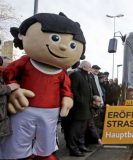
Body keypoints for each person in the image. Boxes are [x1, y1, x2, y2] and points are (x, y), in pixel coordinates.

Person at [0, 12, 86, 160]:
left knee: (47, 137)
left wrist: (67, 98)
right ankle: (18, 156)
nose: (64, 47)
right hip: (24, 109)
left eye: (72, 45)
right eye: (55, 38)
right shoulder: (25, 61)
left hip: (50, 112)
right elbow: (9, 74)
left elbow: (66, 88)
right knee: (19, 136)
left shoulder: (61, 72)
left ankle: (45, 155)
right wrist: (13, 88)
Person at [67, 61, 97, 157]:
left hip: (86, 107)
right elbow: (73, 89)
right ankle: (73, 149)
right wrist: (80, 100)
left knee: (82, 129)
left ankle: (81, 146)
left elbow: (90, 89)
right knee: (75, 130)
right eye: (89, 67)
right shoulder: (76, 74)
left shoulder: (86, 76)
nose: (90, 68)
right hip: (78, 108)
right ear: (84, 67)